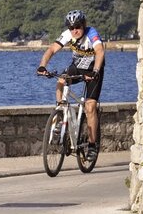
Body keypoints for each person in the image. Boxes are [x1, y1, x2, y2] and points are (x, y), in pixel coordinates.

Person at [36, 9, 105, 162]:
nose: (75, 31)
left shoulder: (92, 33)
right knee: (61, 80)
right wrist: (42, 66)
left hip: (94, 69)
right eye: (71, 28)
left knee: (90, 107)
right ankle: (60, 113)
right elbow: (52, 49)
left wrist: (95, 71)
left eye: (78, 27)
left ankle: (92, 146)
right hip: (77, 66)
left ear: (83, 25)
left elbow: (100, 52)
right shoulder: (68, 34)